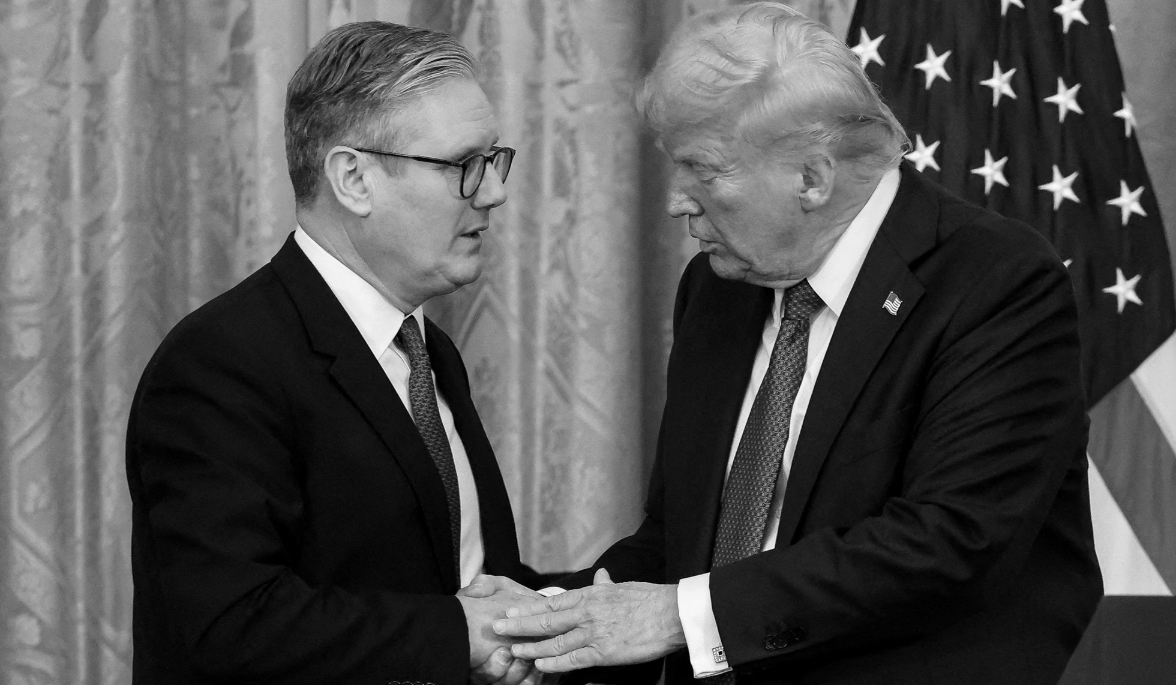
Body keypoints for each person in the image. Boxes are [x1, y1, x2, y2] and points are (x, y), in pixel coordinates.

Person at [486, 4, 1103, 684]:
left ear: (812, 177)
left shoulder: (995, 283)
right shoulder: (719, 287)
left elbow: (947, 545)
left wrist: (674, 617)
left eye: (704, 170)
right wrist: (547, 621)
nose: (678, 202)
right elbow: (680, 544)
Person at [126, 22, 545, 684]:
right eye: (463, 165)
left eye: (493, 160)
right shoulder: (220, 364)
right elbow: (231, 623)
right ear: (353, 177)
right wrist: (461, 632)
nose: (492, 191)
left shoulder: (427, 350)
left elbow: (451, 581)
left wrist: (583, 613)